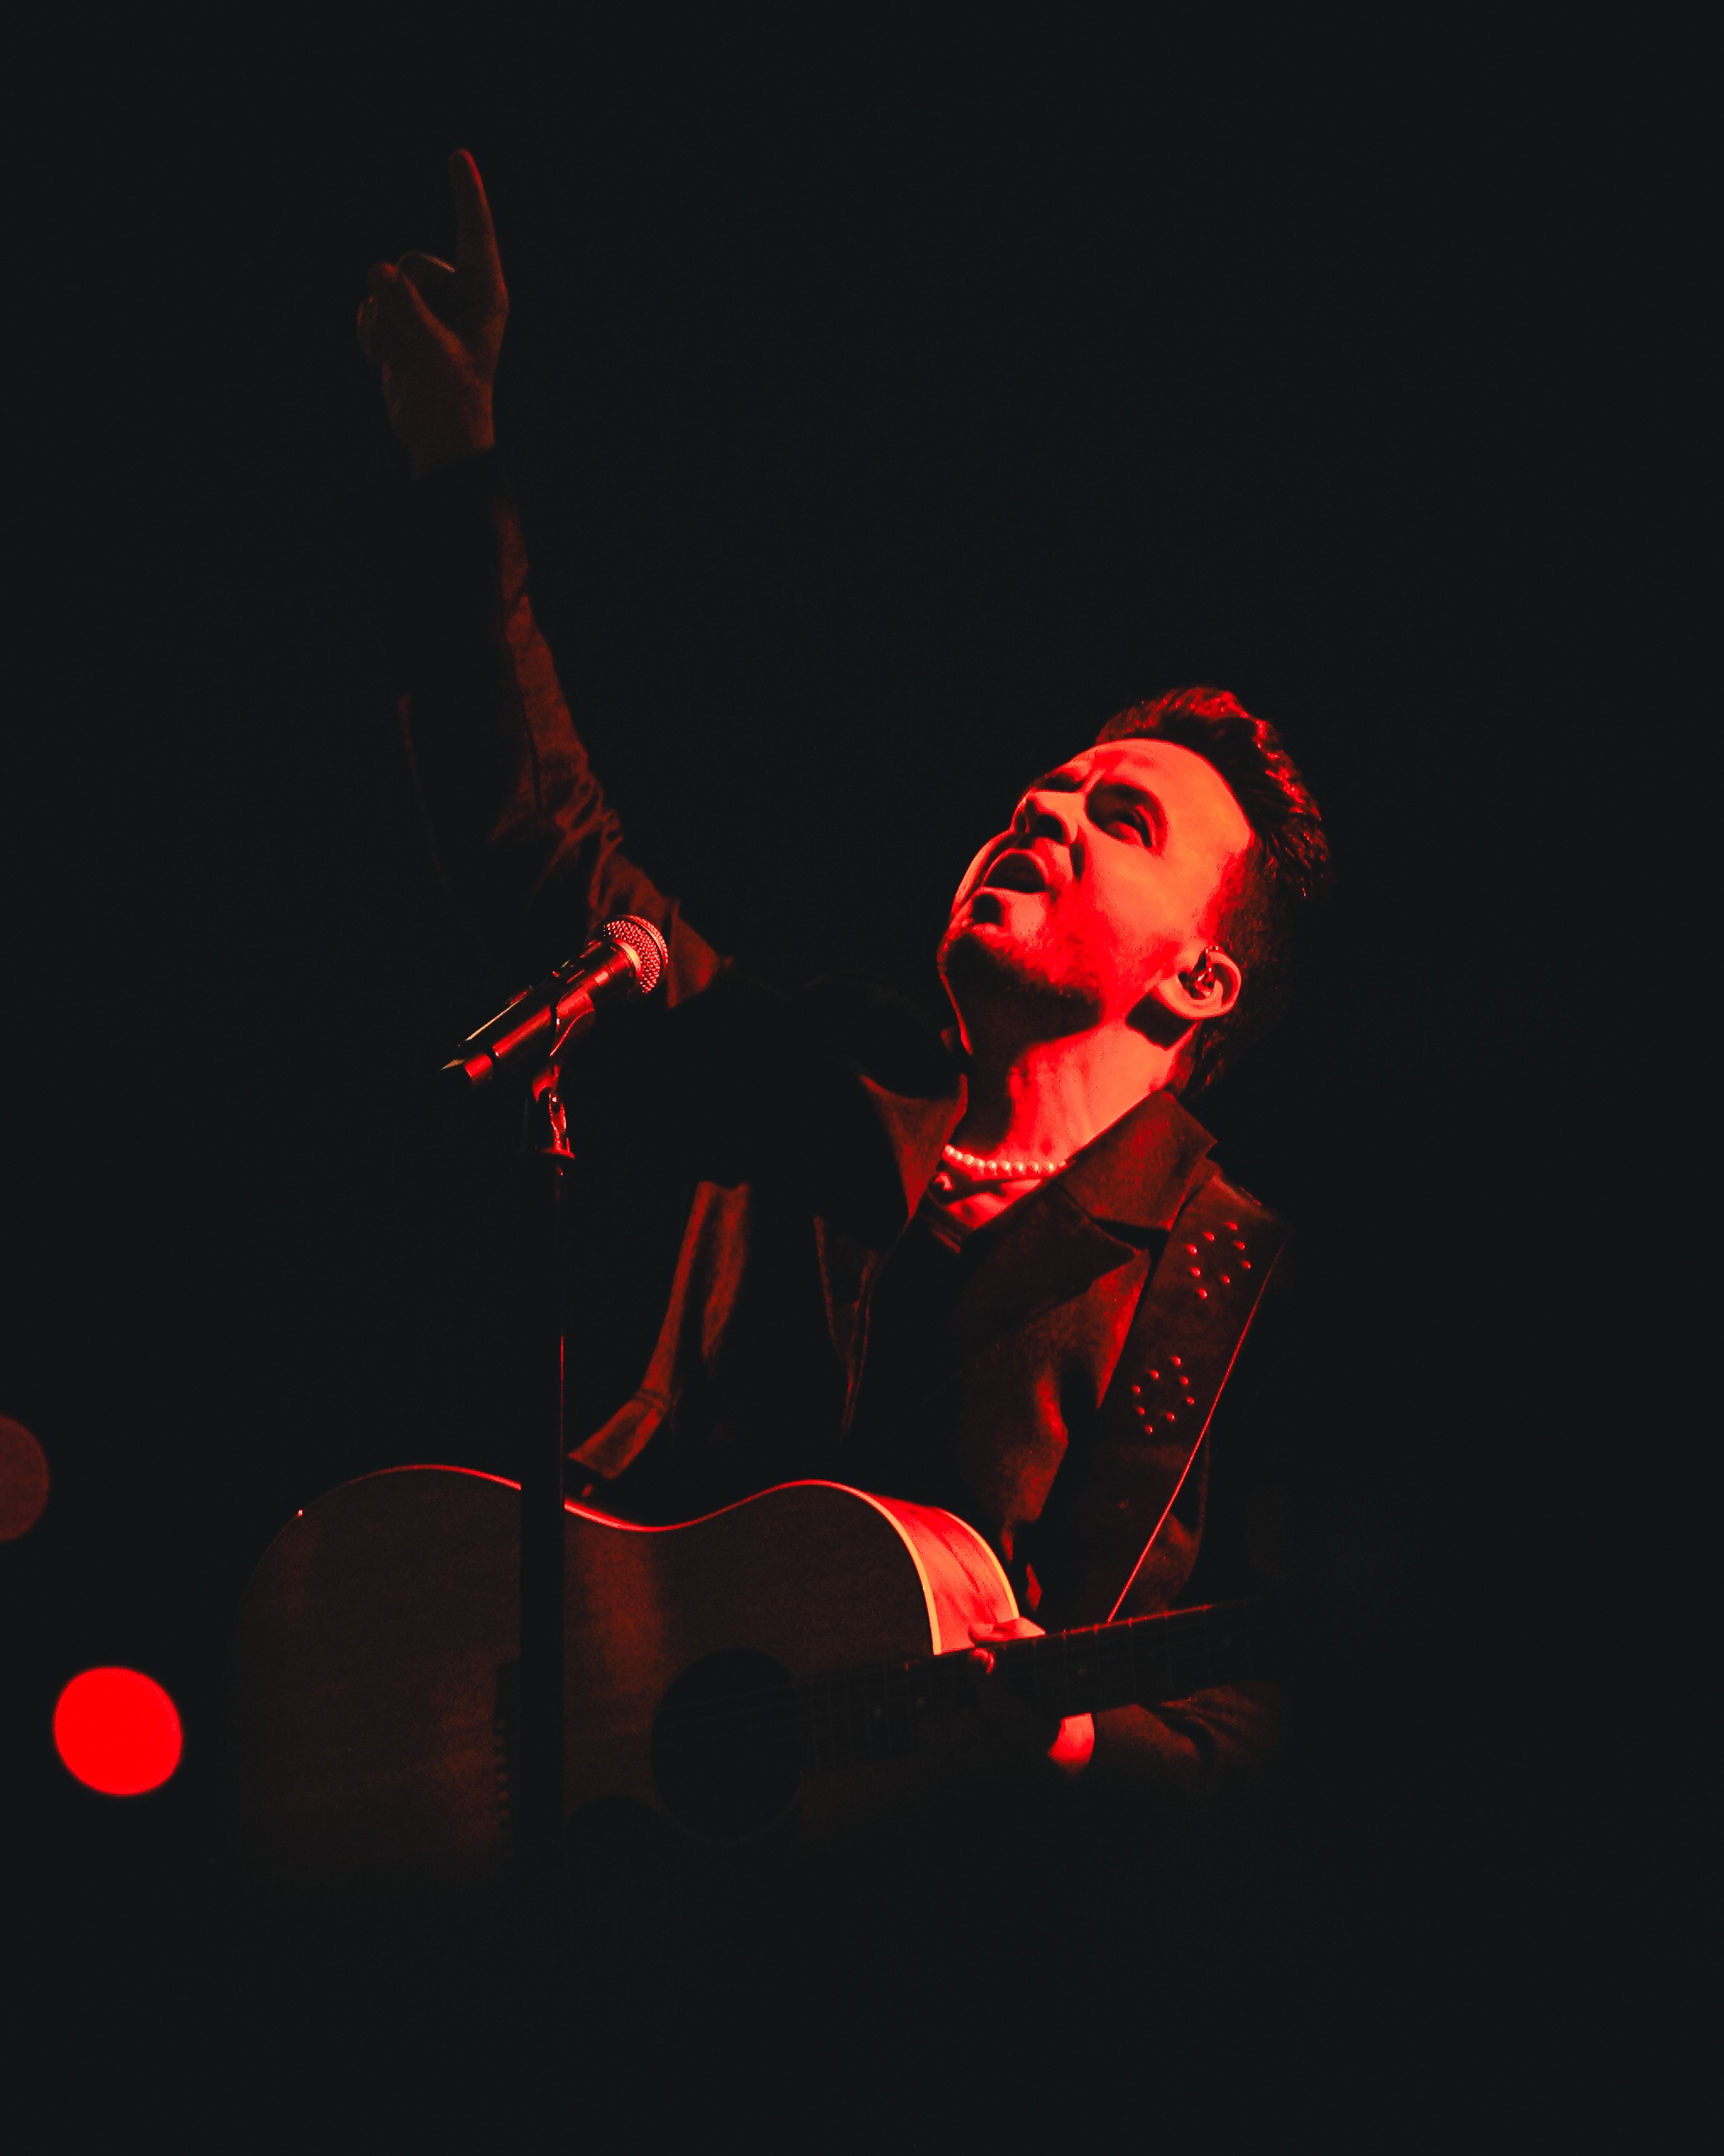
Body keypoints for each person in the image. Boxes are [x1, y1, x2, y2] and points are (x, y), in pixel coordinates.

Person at [360, 152, 1331, 1801]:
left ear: (1197, 979)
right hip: (607, 1824)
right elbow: (539, 841)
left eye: (1121, 818)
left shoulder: (1237, 1291)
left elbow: (1303, 1703)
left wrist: (1083, 1734)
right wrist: (455, 461)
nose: (1044, 808)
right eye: (1045, 787)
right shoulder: (818, 1082)